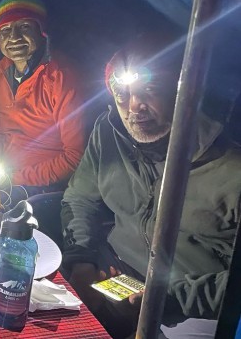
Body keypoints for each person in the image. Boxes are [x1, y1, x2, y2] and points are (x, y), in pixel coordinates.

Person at [61, 34, 240, 338]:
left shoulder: (231, 168)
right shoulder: (109, 133)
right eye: (121, 94)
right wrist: (82, 259)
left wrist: (163, 300)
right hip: (116, 271)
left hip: (189, 304)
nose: (134, 106)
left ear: (181, 91)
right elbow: (80, 198)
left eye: (150, 90)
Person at [0, 0, 87, 195]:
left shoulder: (61, 78)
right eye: (6, 30)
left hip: (41, 185)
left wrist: (15, 179)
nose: (14, 37)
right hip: (3, 173)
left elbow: (75, 157)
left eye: (25, 27)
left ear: (41, 31)